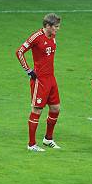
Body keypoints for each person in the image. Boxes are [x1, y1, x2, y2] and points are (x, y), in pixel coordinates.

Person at [15, 13, 62, 152]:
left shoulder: (52, 36)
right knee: (37, 110)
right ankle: (31, 144)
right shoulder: (36, 37)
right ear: (47, 26)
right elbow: (19, 52)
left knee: (55, 109)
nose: (58, 29)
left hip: (51, 79)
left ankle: (48, 139)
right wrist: (28, 70)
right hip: (39, 80)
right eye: (56, 27)